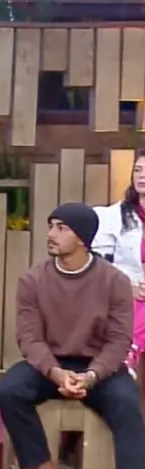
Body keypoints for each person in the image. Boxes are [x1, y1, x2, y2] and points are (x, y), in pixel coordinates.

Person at [0, 203, 145, 469]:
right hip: (51, 364)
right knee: (9, 391)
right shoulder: (33, 280)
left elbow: (119, 340)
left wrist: (92, 375)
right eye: (51, 226)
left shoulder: (114, 281)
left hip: (99, 367)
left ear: (83, 238)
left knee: (126, 399)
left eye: (61, 228)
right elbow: (29, 338)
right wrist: (55, 372)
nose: (51, 234)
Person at [92, 149, 145, 378]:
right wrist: (127, 285)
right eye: (138, 170)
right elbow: (99, 261)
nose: (141, 176)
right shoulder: (114, 216)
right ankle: (129, 351)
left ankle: (130, 349)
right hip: (126, 290)